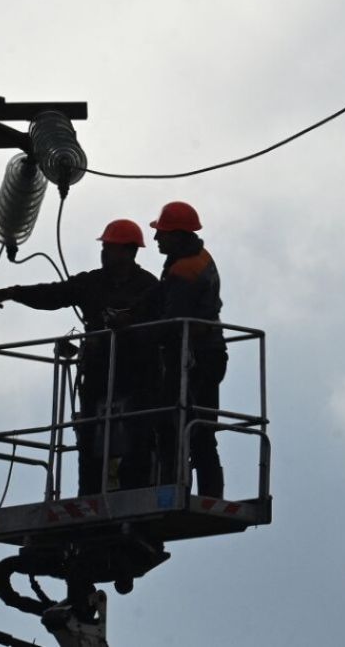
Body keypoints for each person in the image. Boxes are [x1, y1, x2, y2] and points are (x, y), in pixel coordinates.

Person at [0, 219, 159, 494]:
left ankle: (135, 489)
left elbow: (159, 324)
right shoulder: (92, 283)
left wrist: (128, 323)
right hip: (98, 370)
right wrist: (14, 293)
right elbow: (53, 294)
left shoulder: (148, 287)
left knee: (137, 432)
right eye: (104, 247)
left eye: (109, 248)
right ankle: (89, 493)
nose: (104, 253)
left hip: (136, 371)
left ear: (129, 251)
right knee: (90, 434)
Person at [147, 201, 227, 498]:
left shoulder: (184, 270)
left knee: (173, 424)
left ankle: (170, 487)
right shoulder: (198, 258)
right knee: (201, 428)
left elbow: (172, 320)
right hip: (209, 353)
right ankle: (209, 494)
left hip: (194, 359)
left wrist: (140, 335)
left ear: (178, 235)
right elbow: (159, 297)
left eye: (162, 233)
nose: (156, 238)